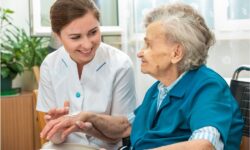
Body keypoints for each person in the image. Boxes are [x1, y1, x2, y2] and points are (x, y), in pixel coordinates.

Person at [40, 3, 244, 150]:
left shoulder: (207, 87)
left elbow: (203, 145)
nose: (140, 52)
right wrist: (85, 119)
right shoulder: (159, 89)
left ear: (176, 53)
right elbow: (126, 126)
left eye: (148, 44)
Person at [36, 0, 136, 149]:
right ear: (58, 36)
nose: (88, 45)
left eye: (93, 32)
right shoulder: (50, 64)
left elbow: (123, 130)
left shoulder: (120, 64)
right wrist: (57, 128)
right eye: (76, 37)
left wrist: (90, 121)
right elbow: (55, 139)